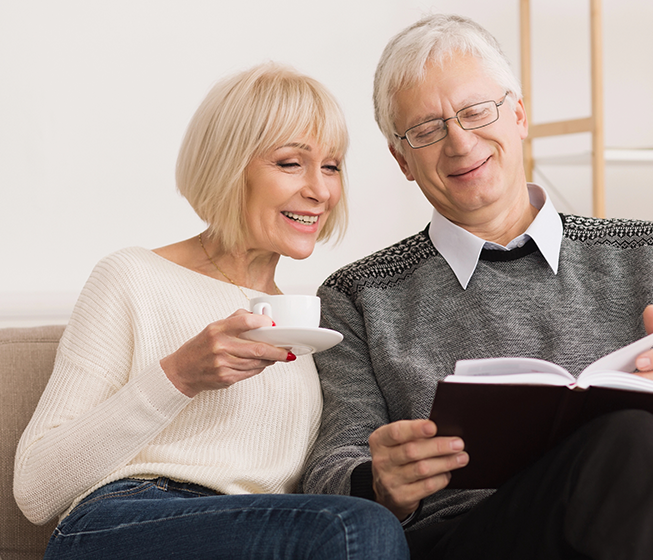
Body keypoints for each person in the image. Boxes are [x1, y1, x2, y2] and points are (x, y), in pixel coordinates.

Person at [301, 14, 653, 560]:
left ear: (518, 115)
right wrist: (380, 481)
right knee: (629, 436)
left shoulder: (652, 254)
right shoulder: (358, 295)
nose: (460, 143)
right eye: (427, 129)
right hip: (483, 538)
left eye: (476, 111)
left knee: (634, 441)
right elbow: (328, 472)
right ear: (402, 161)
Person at [13, 62, 409, 560]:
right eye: (291, 163)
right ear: (228, 165)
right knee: (355, 530)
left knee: (357, 527)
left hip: (260, 531)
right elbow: (35, 490)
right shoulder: (133, 276)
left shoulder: (317, 324)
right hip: (120, 522)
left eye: (330, 166)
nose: (321, 190)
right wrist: (179, 376)